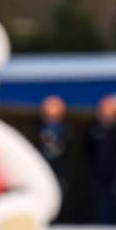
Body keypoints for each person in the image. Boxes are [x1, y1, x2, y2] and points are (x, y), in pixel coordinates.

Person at [83, 95, 116, 226]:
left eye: (110, 108)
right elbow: (88, 149)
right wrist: (90, 167)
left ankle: (115, 224)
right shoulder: (93, 128)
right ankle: (101, 223)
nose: (107, 111)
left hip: (114, 171)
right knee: (98, 200)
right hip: (97, 171)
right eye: (104, 108)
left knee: (114, 199)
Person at [37, 95, 71, 223]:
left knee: (62, 193)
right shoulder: (38, 129)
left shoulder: (65, 130)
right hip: (44, 168)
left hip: (60, 168)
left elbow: (69, 151)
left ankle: (62, 220)